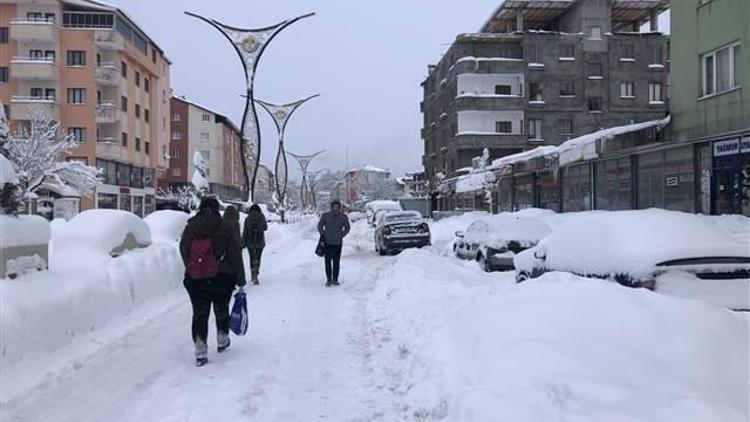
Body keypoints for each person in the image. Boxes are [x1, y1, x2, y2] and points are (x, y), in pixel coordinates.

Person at [179, 198, 246, 367]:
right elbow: (235, 254)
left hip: (195, 279)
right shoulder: (225, 227)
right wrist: (241, 280)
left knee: (200, 313)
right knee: (221, 308)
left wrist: (193, 266)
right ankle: (222, 339)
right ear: (217, 209)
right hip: (222, 276)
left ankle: (200, 350)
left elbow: (183, 249)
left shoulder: (190, 227)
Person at [317, 199, 351, 287]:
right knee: (327, 262)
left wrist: (341, 235)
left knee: (336, 262)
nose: (335, 208)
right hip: (327, 242)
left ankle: (335, 279)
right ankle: (329, 279)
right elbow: (320, 226)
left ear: (339, 207)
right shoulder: (325, 215)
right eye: (334, 206)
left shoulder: (343, 217)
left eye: (337, 206)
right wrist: (323, 234)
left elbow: (347, 228)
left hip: (338, 243)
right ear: (331, 206)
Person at [242, 204, 268, 285]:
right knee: (258, 257)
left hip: (250, 241)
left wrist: (243, 242)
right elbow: (265, 228)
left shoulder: (248, 219)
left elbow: (245, 231)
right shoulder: (261, 217)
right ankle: (256, 272)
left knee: (252, 257)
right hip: (260, 242)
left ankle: (253, 273)